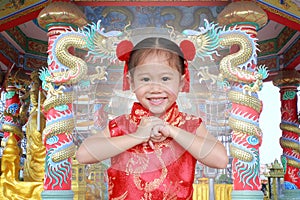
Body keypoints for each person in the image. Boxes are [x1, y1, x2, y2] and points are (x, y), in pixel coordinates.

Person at [76, 37, 229, 199]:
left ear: (181, 83)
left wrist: (172, 131)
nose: (156, 88)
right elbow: (83, 155)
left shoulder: (190, 125)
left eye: (165, 79)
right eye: (145, 79)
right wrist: (136, 136)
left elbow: (220, 160)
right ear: (132, 83)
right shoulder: (121, 125)